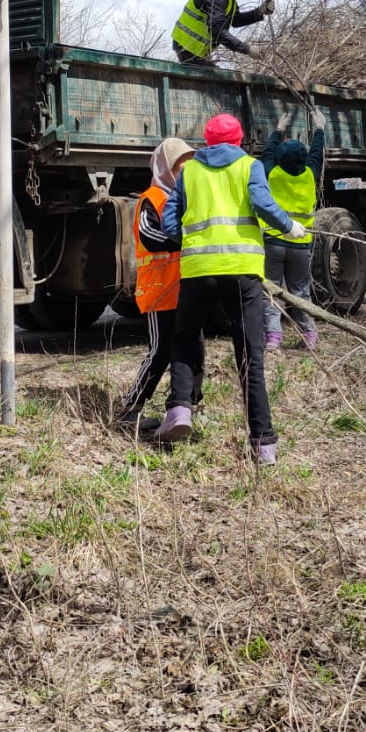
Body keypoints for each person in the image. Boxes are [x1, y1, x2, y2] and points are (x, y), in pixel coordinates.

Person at [154, 113, 307, 464]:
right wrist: (290, 227)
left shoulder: (190, 170)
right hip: (241, 273)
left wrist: (185, 240)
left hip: (198, 270)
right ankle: (263, 442)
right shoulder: (249, 166)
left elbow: (170, 215)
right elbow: (264, 206)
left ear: (206, 142)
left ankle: (179, 408)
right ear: (239, 140)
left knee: (184, 340)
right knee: (250, 356)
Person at [116, 137, 198, 431]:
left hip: (185, 289)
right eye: (180, 166)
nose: (186, 171)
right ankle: (130, 410)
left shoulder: (188, 198)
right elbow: (150, 237)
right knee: (160, 350)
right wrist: (186, 241)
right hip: (159, 291)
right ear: (166, 168)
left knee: (194, 348)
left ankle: (188, 408)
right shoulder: (151, 199)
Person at [261, 107, 325, 352]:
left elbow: (268, 151)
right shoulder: (310, 174)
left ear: (279, 159)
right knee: (300, 291)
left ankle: (273, 338)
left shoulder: (272, 173)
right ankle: (309, 334)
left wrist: (279, 128)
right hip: (301, 245)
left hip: (274, 242)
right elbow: (317, 152)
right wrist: (319, 127)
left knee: (272, 290)